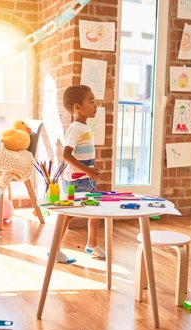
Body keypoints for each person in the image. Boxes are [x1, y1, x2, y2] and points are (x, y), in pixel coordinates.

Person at [54, 84, 105, 263]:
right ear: (77, 107)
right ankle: (55, 249)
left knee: (95, 210)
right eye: (91, 101)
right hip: (77, 181)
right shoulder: (76, 129)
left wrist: (88, 171)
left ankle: (91, 244)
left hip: (86, 179)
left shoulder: (84, 127)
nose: (95, 105)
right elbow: (66, 155)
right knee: (67, 215)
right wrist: (88, 170)